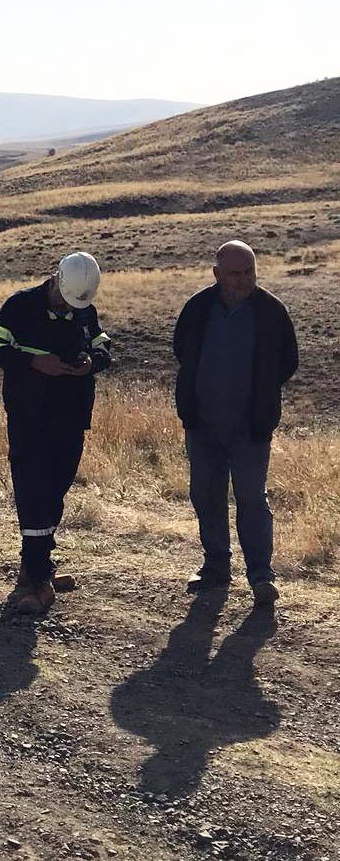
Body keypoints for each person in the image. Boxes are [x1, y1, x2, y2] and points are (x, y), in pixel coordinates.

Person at [0, 252, 111, 615]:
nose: (68, 309)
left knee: (56, 490)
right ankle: (35, 576)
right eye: (64, 301)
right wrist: (35, 362)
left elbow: (103, 347)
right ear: (55, 280)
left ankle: (39, 567)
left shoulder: (85, 309)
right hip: (29, 417)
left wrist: (89, 364)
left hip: (71, 417)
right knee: (33, 490)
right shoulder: (20, 306)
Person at [174, 240, 297, 606]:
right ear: (217, 274)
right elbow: (182, 350)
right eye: (235, 273)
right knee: (206, 496)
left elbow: (288, 363)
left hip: (250, 428)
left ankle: (261, 575)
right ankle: (215, 567)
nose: (243, 280)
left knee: (251, 500)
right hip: (203, 424)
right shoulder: (198, 308)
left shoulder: (272, 312)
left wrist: (258, 396)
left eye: (249, 272)